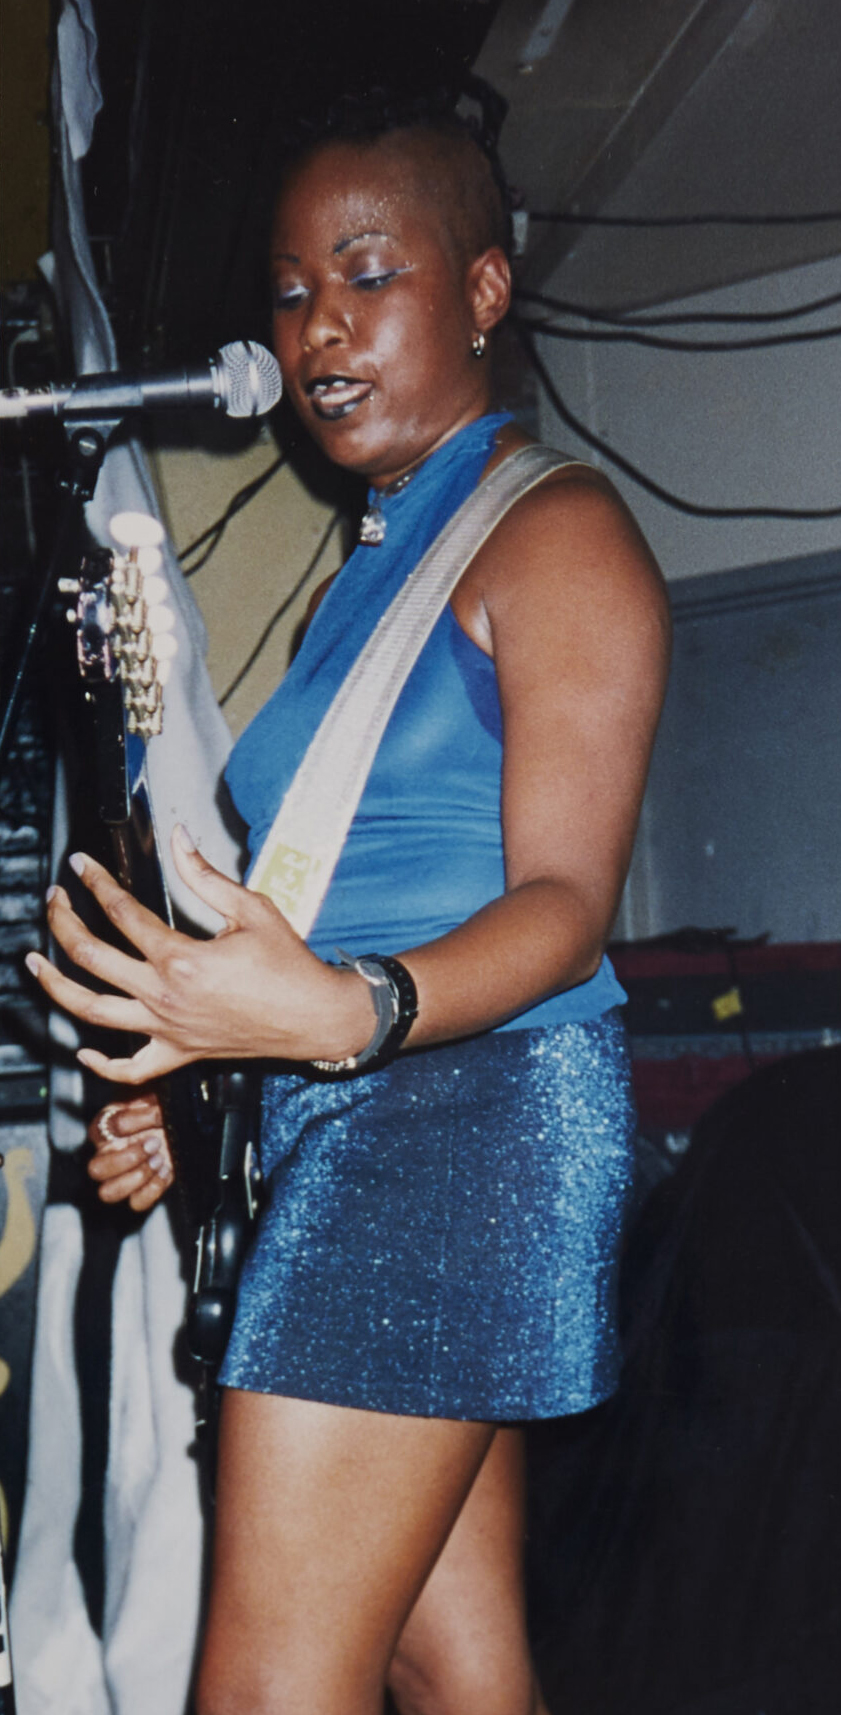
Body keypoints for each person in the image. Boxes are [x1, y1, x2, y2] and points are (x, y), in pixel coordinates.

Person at [27, 89, 670, 1715]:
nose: (316, 327)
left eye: (365, 275)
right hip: (370, 1108)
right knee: (444, 1662)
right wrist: (213, 1089)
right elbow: (336, 916)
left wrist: (345, 1013)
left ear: (478, 291)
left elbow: (565, 902)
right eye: (291, 288)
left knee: (264, 1691)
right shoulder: (369, 570)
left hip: (457, 1119)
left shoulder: (556, 528)